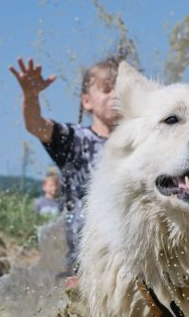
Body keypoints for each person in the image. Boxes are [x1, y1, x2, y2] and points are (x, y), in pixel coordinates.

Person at [10, 56, 121, 273]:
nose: (115, 95)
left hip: (128, 257)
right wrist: (31, 97)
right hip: (85, 261)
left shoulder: (140, 145)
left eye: (120, 89)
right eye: (107, 89)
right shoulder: (74, 139)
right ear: (86, 101)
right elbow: (36, 126)